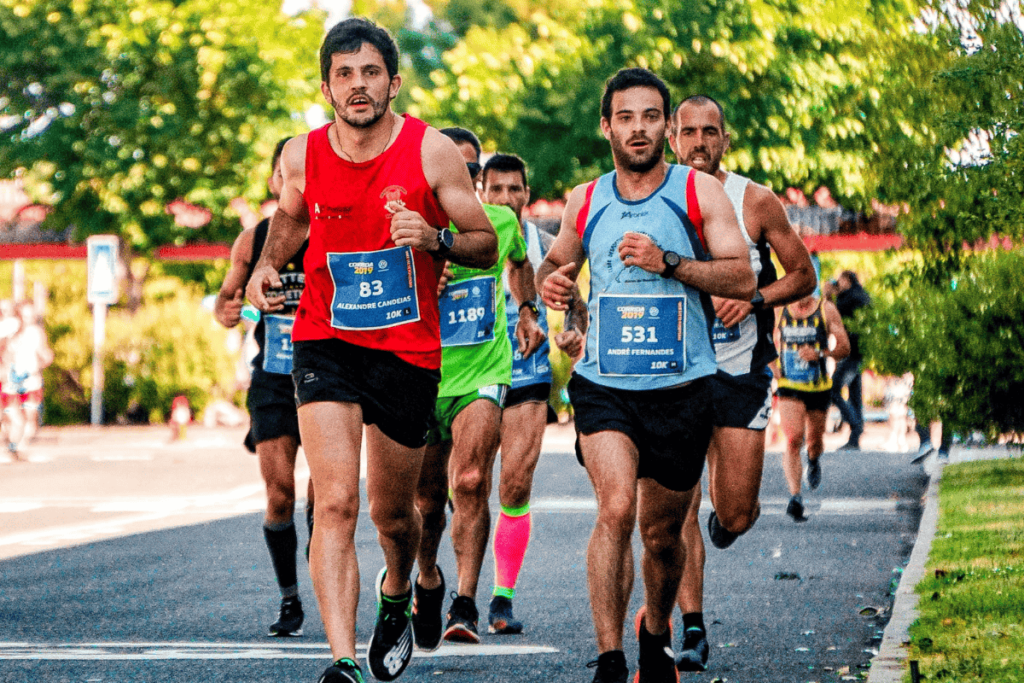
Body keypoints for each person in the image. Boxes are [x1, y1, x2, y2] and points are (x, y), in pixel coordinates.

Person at [245, 18, 497, 683]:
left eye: (370, 72)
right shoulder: (302, 154)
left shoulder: (431, 151)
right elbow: (293, 215)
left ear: (393, 80)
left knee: (394, 513)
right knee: (333, 502)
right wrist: (266, 264)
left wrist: (435, 238)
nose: (358, 86)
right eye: (344, 73)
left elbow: (485, 242)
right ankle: (342, 659)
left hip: (405, 347)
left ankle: (398, 586)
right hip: (323, 336)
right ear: (327, 84)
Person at [537, 67, 755, 683]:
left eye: (650, 117)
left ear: (666, 125)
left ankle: (655, 630)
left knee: (663, 535)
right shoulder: (586, 198)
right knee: (615, 509)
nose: (639, 128)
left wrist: (671, 263)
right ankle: (610, 659)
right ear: (606, 126)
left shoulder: (697, 194)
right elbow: (555, 265)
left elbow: (741, 278)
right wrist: (552, 284)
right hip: (605, 384)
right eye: (625, 117)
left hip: (681, 386)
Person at [665, 95, 817, 671]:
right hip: (674, 372)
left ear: (725, 139)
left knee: (736, 512)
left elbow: (803, 273)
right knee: (678, 502)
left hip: (739, 370)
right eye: (688, 132)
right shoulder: (652, 197)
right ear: (672, 137)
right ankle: (693, 627)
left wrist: (752, 298)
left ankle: (726, 526)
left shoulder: (754, 200)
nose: (698, 142)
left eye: (710, 132)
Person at [412, 133, 545, 649]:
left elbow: (519, 262)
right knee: (425, 500)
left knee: (469, 480)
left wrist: (529, 309)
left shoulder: (502, 223)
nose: (466, 180)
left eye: (473, 172)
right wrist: (424, 278)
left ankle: (466, 601)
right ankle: (427, 580)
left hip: (483, 372)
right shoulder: (412, 226)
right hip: (423, 374)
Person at [215, 137, 314, 638]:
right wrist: (226, 310)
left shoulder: (331, 234)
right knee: (280, 493)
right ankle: (289, 598)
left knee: (327, 494)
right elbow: (225, 301)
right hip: (273, 378)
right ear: (276, 182)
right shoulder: (251, 241)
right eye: (282, 173)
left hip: (325, 376)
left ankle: (326, 560)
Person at [481, 153, 552, 634]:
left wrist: (576, 332)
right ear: (482, 192)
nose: (507, 198)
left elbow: (577, 304)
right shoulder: (469, 240)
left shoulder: (546, 246)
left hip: (528, 372)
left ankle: (502, 597)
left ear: (527, 193)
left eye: (515, 189)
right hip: (472, 374)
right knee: (464, 485)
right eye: (497, 189)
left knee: (516, 484)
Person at [774, 291, 850, 521]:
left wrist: (820, 353)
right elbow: (765, 342)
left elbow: (844, 348)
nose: (799, 298)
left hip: (818, 387)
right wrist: (775, 371)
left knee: (814, 441)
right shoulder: (779, 310)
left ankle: (814, 460)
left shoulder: (826, 309)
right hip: (789, 385)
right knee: (793, 438)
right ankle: (795, 497)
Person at [1, 301, 53, 459]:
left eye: (31, 316)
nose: (28, 319)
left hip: (31, 379)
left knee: (30, 417)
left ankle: (18, 446)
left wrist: (44, 361)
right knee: (13, 417)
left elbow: (44, 353)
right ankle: (13, 445)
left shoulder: (37, 333)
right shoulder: (10, 329)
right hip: (12, 380)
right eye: (25, 316)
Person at [828, 270, 871, 450]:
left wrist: (829, 296)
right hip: (861, 351)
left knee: (833, 390)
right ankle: (855, 437)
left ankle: (855, 425)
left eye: (840, 281)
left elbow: (833, 315)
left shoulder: (848, 298)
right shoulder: (863, 296)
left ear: (847, 280)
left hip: (850, 351)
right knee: (855, 394)